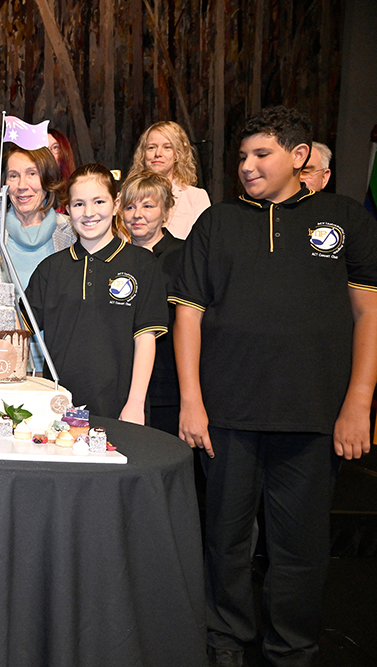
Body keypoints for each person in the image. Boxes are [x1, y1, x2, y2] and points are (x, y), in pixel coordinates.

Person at [169, 106, 377, 667]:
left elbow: (368, 315)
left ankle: (292, 649)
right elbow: (188, 316)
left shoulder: (346, 220)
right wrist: (192, 401)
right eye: (242, 156)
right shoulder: (218, 223)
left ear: (300, 155)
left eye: (262, 154)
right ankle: (225, 643)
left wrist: (359, 404)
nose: (247, 166)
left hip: (313, 417)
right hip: (228, 415)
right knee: (226, 542)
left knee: (301, 549)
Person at [24, 164, 167, 422]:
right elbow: (18, 328)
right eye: (79, 204)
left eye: (99, 201)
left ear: (116, 205)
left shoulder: (143, 264)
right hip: (57, 413)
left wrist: (135, 403)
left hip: (121, 410)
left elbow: (146, 338)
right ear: (67, 210)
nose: (89, 213)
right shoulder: (50, 269)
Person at [0, 145, 75, 373]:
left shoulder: (70, 232)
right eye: (13, 175)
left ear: (47, 179)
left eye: (32, 173)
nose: (22, 185)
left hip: (58, 366)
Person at [120, 170, 183, 435]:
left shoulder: (184, 257)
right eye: (130, 206)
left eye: (148, 206)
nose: (137, 215)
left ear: (166, 211)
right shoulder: (116, 259)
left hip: (168, 389)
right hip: (122, 384)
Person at [131, 121, 211, 239]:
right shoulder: (126, 196)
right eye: (151, 147)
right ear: (143, 154)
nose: (158, 153)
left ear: (177, 154)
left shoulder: (196, 198)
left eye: (167, 147)